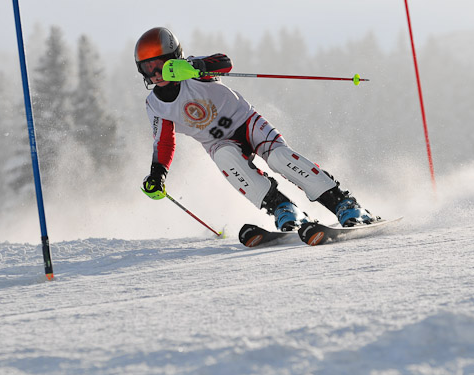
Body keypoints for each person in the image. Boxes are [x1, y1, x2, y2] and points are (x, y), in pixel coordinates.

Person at [136, 27, 375, 231]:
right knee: (225, 158)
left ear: (174, 58)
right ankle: (284, 209)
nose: (156, 75)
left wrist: (197, 65)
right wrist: (158, 174)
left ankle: (343, 203)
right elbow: (164, 142)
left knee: (280, 157)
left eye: (160, 66)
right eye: (148, 69)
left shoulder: (192, 72)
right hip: (219, 143)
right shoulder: (156, 106)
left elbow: (224, 63)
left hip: (247, 123)